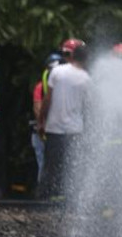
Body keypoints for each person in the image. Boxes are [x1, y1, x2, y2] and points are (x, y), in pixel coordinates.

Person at [38, 39, 91, 199]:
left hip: (54, 126)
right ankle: (68, 196)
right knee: (70, 165)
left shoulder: (57, 72)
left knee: (52, 165)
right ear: (86, 59)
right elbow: (88, 106)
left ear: (73, 55)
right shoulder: (86, 79)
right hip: (75, 129)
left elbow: (47, 99)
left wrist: (42, 119)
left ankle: (49, 196)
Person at [31, 52, 62, 185]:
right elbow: (37, 107)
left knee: (58, 163)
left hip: (58, 130)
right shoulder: (40, 86)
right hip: (45, 131)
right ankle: (45, 193)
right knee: (44, 163)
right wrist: (42, 124)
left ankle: (56, 192)